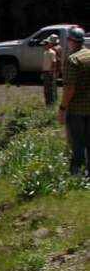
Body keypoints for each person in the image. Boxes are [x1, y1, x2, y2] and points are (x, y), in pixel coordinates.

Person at [59, 26, 90, 177]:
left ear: (71, 41)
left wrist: (62, 108)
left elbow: (69, 88)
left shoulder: (72, 60)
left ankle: (77, 174)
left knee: (77, 143)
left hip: (76, 110)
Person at [41, 35, 59, 105]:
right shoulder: (45, 52)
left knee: (49, 88)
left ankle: (51, 102)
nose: (43, 46)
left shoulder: (52, 52)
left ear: (48, 45)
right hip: (45, 71)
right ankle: (47, 101)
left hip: (49, 71)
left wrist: (51, 71)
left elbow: (54, 62)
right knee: (45, 88)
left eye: (45, 45)